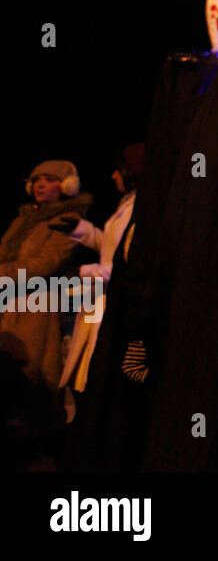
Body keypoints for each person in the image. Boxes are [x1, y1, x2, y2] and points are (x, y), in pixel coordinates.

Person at [0, 160, 94, 447]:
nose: (40, 184)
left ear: (67, 186)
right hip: (9, 300)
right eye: (36, 179)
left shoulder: (69, 221)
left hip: (36, 303)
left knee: (34, 369)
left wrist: (3, 274)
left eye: (50, 179)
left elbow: (45, 264)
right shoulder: (24, 219)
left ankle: (39, 443)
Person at [58, 145, 144, 413]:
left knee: (98, 374)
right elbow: (111, 249)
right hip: (100, 299)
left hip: (112, 301)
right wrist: (82, 231)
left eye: (118, 171)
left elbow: (127, 263)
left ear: (131, 172)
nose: (112, 177)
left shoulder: (140, 208)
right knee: (86, 374)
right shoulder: (127, 203)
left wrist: (86, 272)